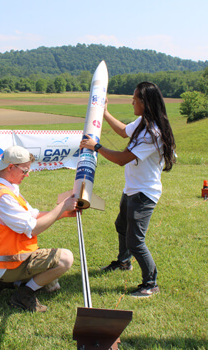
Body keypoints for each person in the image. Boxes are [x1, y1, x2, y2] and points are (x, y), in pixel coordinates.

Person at [80, 82, 176, 298]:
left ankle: (151, 283)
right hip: (132, 188)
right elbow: (124, 131)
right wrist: (104, 113)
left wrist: (96, 146)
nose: (132, 101)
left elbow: (122, 159)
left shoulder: (153, 133)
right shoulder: (143, 122)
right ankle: (124, 262)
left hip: (144, 193)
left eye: (135, 98)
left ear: (145, 102)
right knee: (121, 225)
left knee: (135, 241)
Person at [0, 145, 77, 312]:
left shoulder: (8, 189)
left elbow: (32, 215)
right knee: (65, 259)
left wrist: (62, 214)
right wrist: (62, 207)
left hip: (11, 259)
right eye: (25, 170)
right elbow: (33, 228)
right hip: (8, 262)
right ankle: (23, 294)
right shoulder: (4, 197)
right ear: (11, 167)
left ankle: (6, 281)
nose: (27, 174)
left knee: (52, 284)